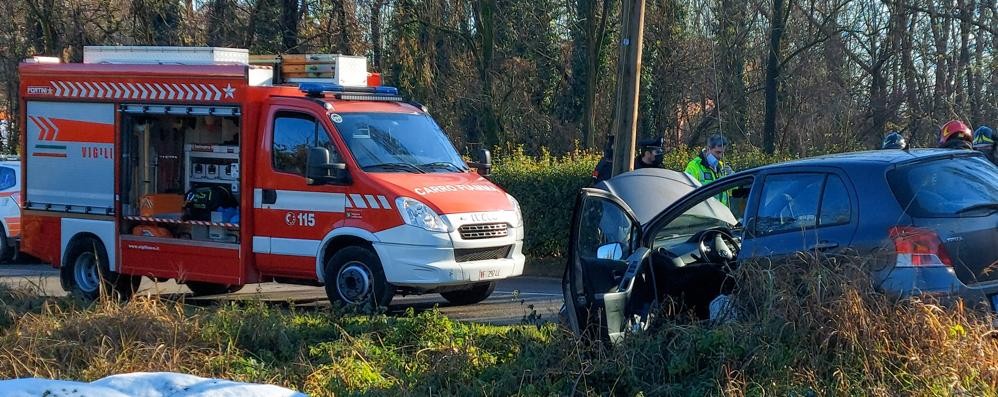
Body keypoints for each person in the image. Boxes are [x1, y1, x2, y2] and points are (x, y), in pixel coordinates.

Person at [685, 133, 733, 205]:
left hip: (721, 213)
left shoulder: (722, 167)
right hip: (704, 214)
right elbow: (687, 192)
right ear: (708, 149)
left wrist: (732, 177)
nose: (720, 156)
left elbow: (731, 193)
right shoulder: (694, 166)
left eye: (722, 153)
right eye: (718, 152)